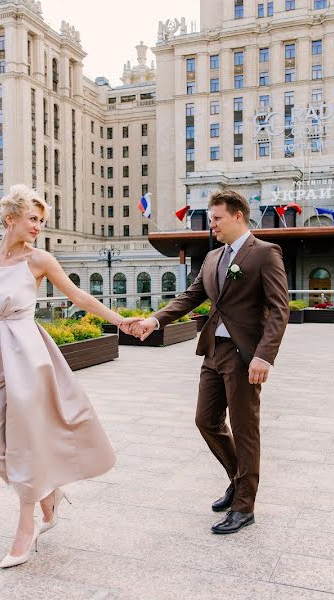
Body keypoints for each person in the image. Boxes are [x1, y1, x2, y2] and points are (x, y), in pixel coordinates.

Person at [0, 184, 127, 568]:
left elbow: (79, 298)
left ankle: (26, 528)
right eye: (33, 219)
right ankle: (49, 495)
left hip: (28, 355)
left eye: (41, 221)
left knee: (25, 442)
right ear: (11, 220)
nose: (38, 227)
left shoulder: (39, 260)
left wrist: (122, 320)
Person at [126, 190, 289, 534]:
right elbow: (190, 297)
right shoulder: (214, 257)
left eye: (217, 218)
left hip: (246, 356)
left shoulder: (264, 254)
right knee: (206, 420)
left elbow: (279, 309)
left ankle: (244, 507)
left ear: (238, 217)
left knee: (245, 430)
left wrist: (264, 355)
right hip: (213, 351)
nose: (211, 224)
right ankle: (237, 479)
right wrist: (154, 321)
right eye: (211, 218)